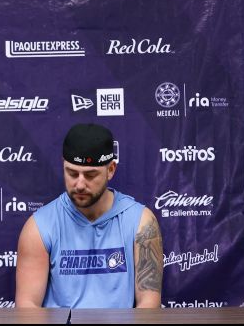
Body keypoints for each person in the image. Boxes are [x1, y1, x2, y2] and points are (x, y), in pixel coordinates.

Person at [15, 123, 162, 308]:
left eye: (90, 175)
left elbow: (149, 305)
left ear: (111, 170)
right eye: (72, 173)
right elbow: (27, 307)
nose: (80, 184)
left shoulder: (141, 222)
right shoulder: (39, 226)